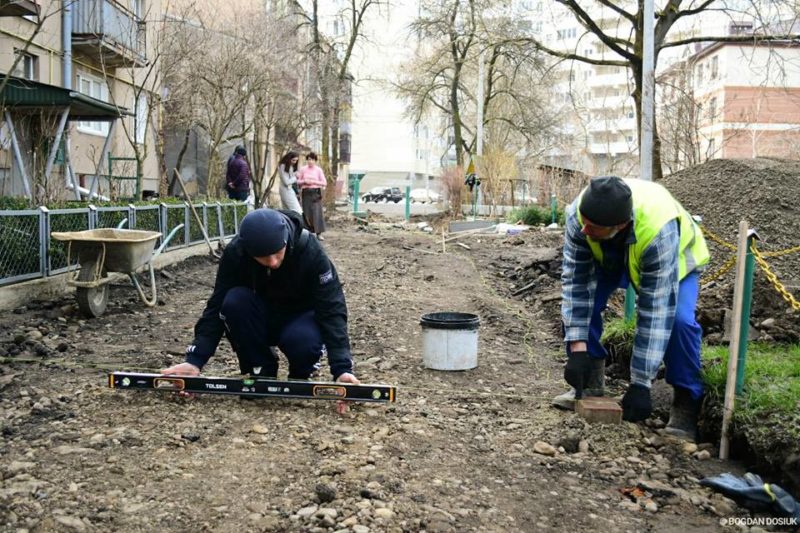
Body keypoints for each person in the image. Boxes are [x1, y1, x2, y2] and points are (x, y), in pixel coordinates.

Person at [161, 208, 359, 414]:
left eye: (277, 253)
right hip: (259, 317)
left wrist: (342, 369)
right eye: (263, 257)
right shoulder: (235, 253)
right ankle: (260, 368)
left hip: (300, 319)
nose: (273, 262)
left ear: (286, 240)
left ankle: (301, 371)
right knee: (233, 301)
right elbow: (215, 307)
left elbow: (332, 309)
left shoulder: (311, 252)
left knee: (302, 341)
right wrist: (195, 361)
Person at [556, 176, 710, 441]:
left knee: (679, 323)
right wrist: (578, 350)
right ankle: (590, 383)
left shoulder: (658, 231)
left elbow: (655, 312)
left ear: (620, 225)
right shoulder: (578, 217)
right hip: (610, 257)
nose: (584, 230)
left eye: (592, 228)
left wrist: (640, 383)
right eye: (584, 222)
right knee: (582, 305)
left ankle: (685, 404)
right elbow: (576, 286)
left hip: (674, 264)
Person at [296, 152, 327, 240]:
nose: (310, 161)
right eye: (309, 159)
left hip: (315, 192)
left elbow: (324, 182)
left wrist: (313, 182)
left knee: (317, 213)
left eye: (312, 159)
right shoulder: (303, 169)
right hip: (306, 192)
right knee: (307, 213)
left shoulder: (318, 170)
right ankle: (307, 233)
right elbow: (298, 181)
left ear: (315, 161)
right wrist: (304, 181)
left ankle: (319, 233)